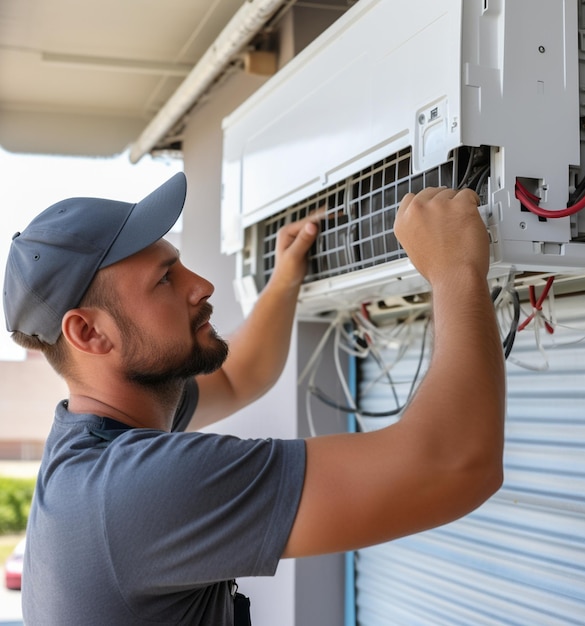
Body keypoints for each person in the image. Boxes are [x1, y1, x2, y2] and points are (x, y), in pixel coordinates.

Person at [3, 172, 505, 625]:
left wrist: (285, 277)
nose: (201, 285)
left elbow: (240, 376)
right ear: (88, 333)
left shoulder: (93, 444)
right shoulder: (131, 490)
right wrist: (455, 270)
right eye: (164, 280)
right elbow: (455, 465)